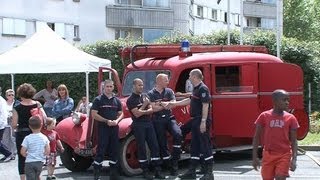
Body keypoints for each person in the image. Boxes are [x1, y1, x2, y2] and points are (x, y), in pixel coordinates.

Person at [165, 69, 214, 180]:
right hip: (195, 120)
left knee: (205, 146)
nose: (189, 78)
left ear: (195, 77)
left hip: (201, 120)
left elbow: (206, 105)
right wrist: (173, 104)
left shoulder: (203, 88)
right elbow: (189, 100)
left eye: (190, 76)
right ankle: (192, 171)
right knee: (195, 145)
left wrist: (203, 121)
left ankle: (209, 173)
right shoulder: (196, 89)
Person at [252, 89, 299, 180]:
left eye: (288, 100)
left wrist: (294, 159)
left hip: (284, 154)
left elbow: (294, 141)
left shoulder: (291, 118)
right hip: (268, 155)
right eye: (284, 100)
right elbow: (256, 137)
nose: (287, 102)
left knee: (280, 177)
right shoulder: (264, 116)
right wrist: (254, 157)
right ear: (275, 101)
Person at [126, 78, 165, 180]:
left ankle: (157, 170)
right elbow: (137, 114)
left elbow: (152, 110)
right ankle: (145, 171)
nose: (141, 87)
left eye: (142, 85)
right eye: (139, 85)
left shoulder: (145, 96)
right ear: (134, 86)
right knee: (142, 148)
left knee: (155, 146)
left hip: (149, 123)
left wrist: (143, 110)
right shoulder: (130, 100)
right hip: (138, 125)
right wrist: (144, 106)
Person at [147, 73, 182, 176]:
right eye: (166, 80)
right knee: (162, 143)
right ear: (159, 81)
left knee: (178, 134)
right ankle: (169, 165)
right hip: (157, 120)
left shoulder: (169, 91)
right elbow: (153, 108)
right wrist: (165, 105)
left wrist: (160, 104)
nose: (168, 82)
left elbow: (173, 104)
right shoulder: (150, 93)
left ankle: (175, 159)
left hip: (169, 118)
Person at [12, 83, 46, 180]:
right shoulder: (37, 104)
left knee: (22, 158)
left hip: (22, 134)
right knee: (36, 156)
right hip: (36, 133)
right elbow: (44, 118)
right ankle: (37, 176)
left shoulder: (17, 107)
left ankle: (23, 178)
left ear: (20, 93)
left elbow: (14, 124)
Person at [91, 79, 124, 180]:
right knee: (101, 149)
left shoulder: (117, 100)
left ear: (113, 87)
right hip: (103, 128)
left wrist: (117, 121)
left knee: (114, 149)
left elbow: (121, 113)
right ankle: (97, 172)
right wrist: (106, 121)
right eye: (107, 86)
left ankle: (113, 174)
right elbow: (94, 114)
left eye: (111, 86)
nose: (109, 88)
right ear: (103, 87)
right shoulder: (98, 100)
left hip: (114, 128)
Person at [21, 116, 50, 180]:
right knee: (37, 177)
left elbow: (22, 151)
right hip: (40, 161)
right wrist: (44, 155)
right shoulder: (44, 137)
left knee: (30, 178)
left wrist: (26, 155)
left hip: (29, 162)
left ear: (29, 126)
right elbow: (47, 151)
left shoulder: (27, 138)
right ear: (41, 125)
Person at [2, 89, 18, 160]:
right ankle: (7, 153)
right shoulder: (4, 103)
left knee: (13, 138)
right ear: (6, 96)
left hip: (13, 122)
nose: (11, 96)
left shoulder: (16, 103)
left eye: (12, 95)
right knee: (5, 138)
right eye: (9, 95)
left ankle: (13, 153)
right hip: (5, 122)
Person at [0, 86, 12, 162]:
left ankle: (8, 153)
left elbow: (4, 114)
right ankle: (7, 153)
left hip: (1, 124)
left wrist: (1, 123)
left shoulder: (1, 101)